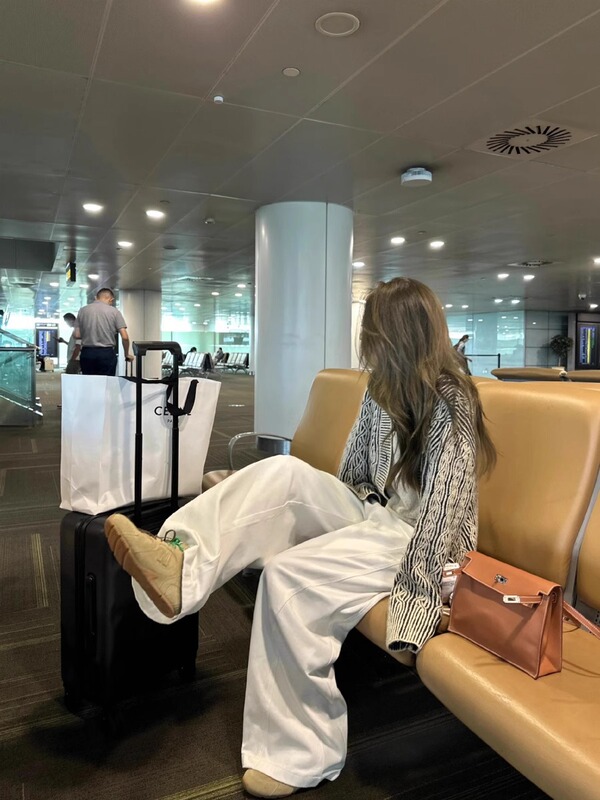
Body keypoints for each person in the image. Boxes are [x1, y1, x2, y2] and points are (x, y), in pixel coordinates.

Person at [104, 278, 496, 798]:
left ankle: (299, 753)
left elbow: (443, 513)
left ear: (403, 334)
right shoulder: (382, 387)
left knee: (287, 576)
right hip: (374, 514)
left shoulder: (452, 400)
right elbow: (353, 475)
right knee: (283, 472)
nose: (368, 343)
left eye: (375, 332)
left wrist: (418, 605)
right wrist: (334, 513)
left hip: (424, 543)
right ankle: (180, 561)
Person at [74, 288, 133, 375]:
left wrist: (90, 333)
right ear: (111, 299)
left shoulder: (82, 311)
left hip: (87, 353)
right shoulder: (114, 312)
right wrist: (126, 354)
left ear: (96, 297)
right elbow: (125, 337)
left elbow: (77, 335)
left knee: (89, 381)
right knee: (107, 382)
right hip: (106, 353)